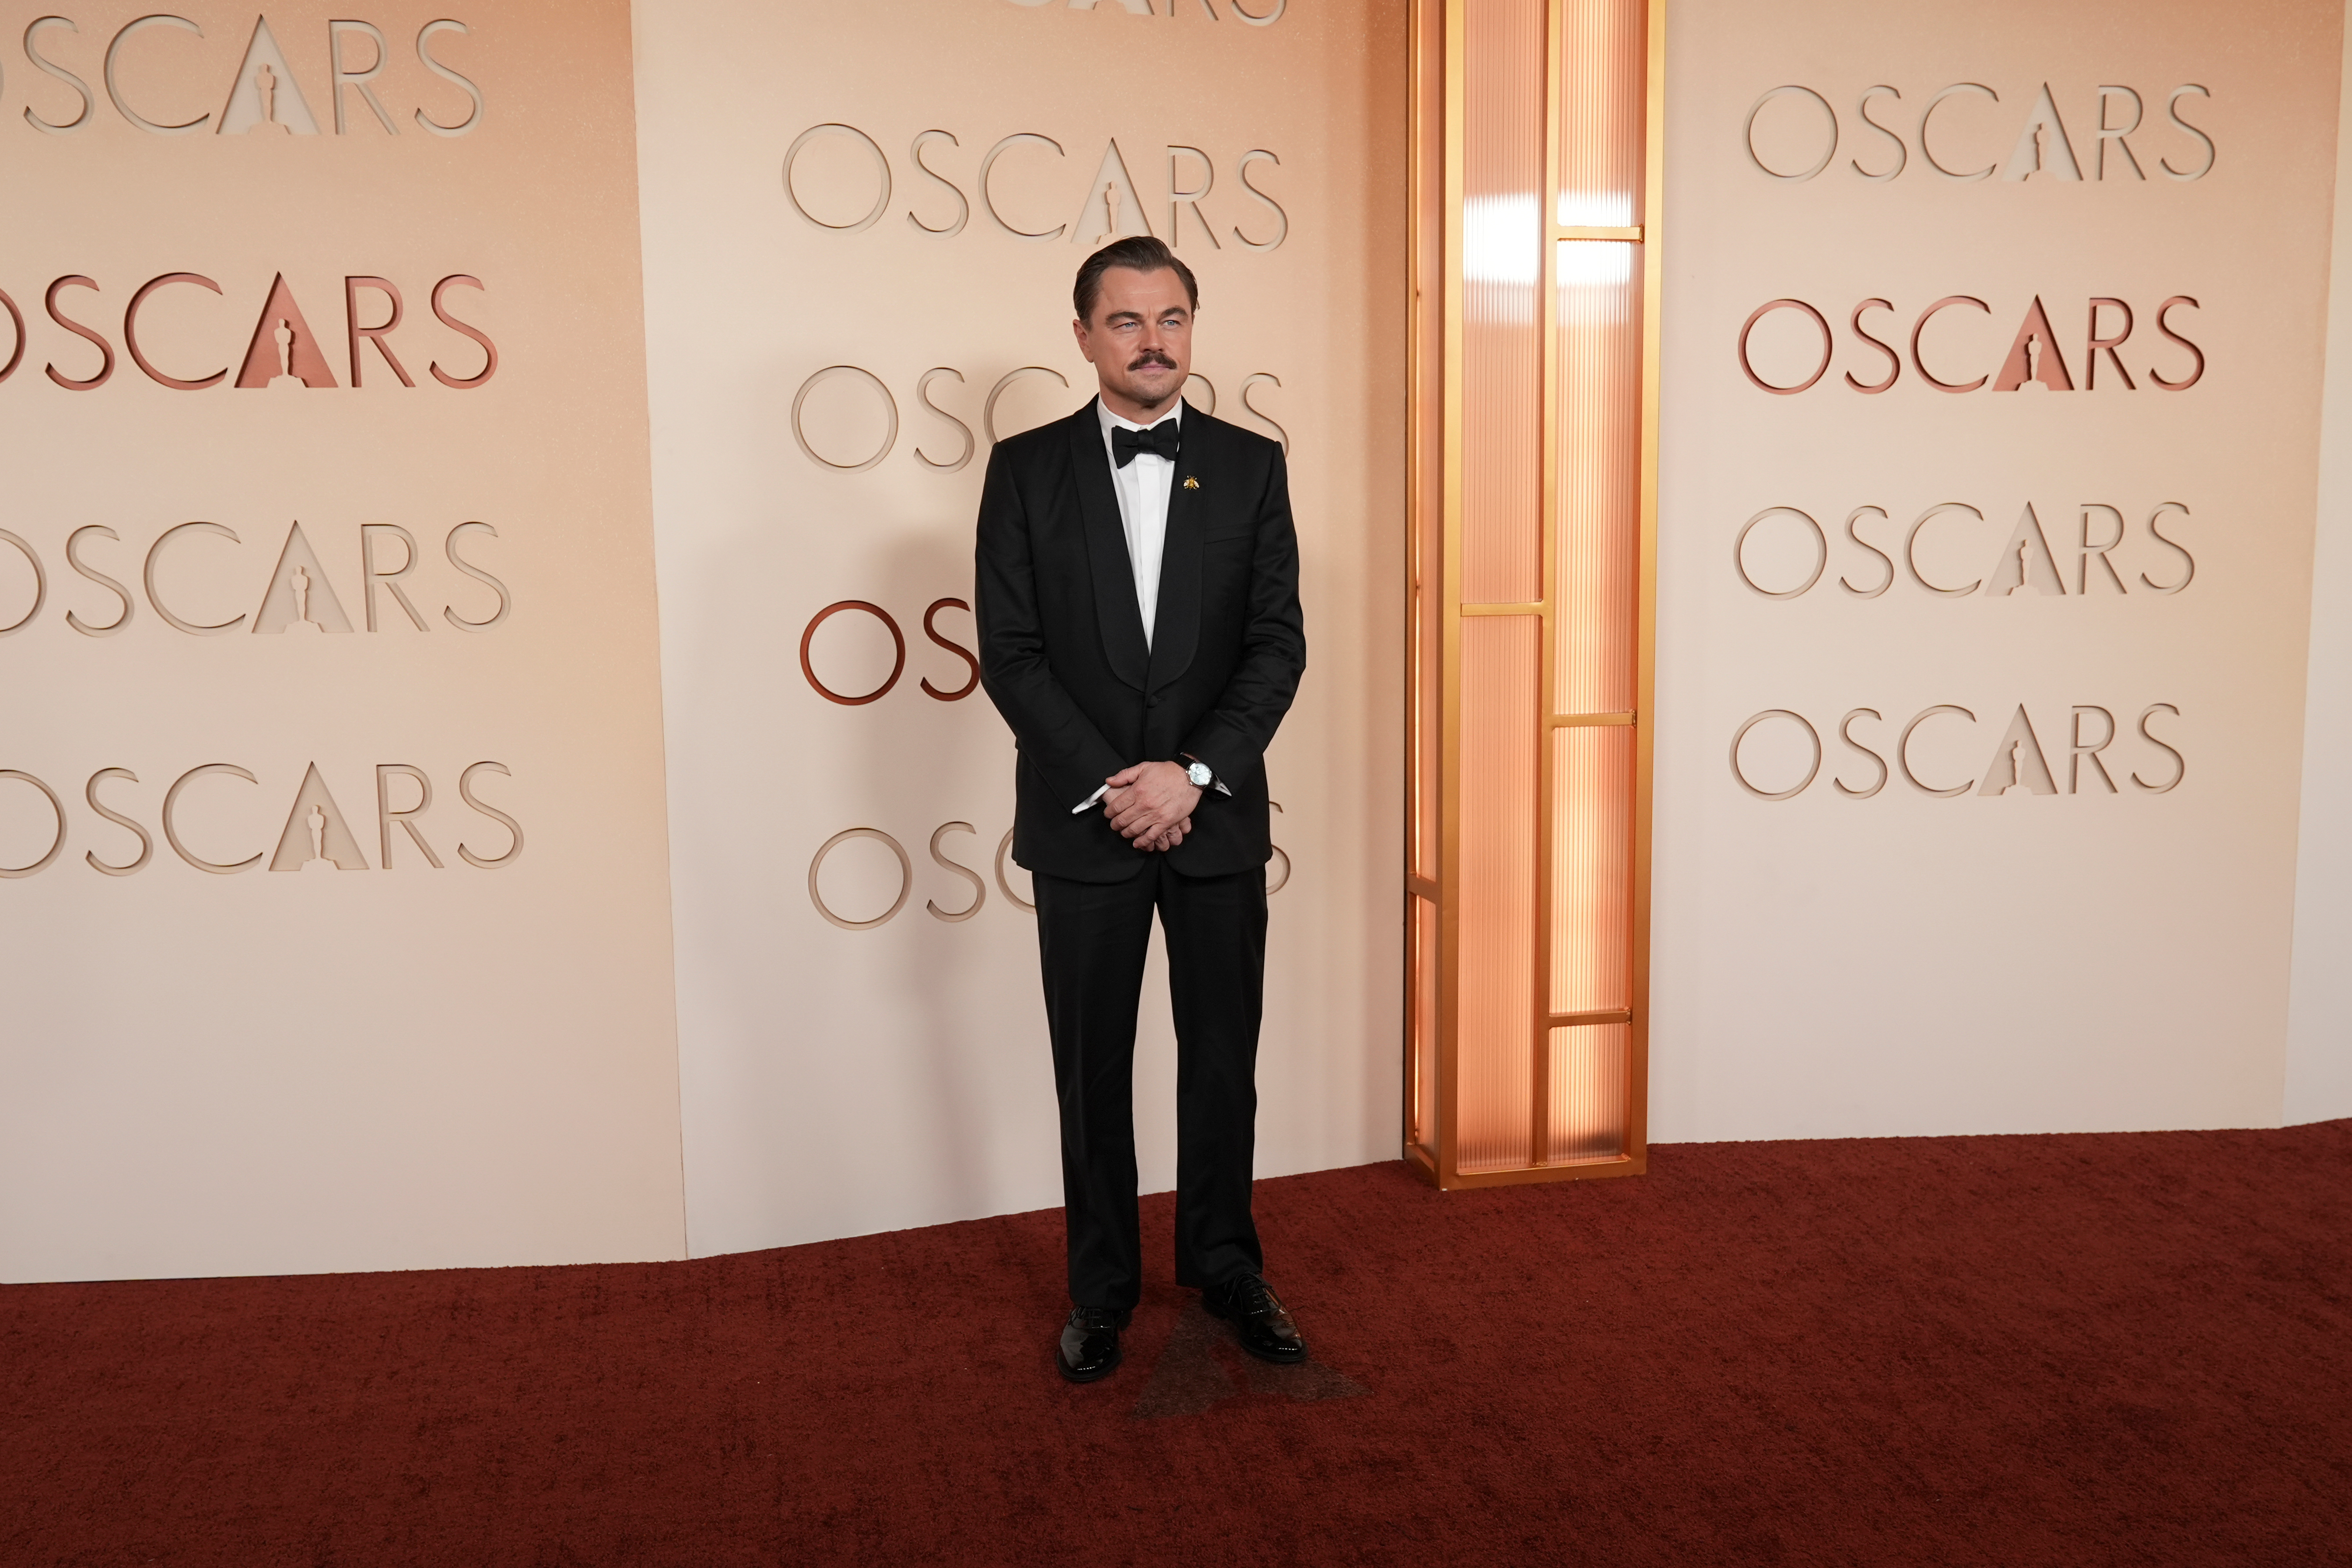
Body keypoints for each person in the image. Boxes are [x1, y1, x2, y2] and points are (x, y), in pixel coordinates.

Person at [975, 236, 1309, 1384]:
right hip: (1085, 825)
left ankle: (1226, 1264)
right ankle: (1101, 1291)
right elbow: (1012, 656)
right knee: (1092, 1068)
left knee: (1224, 1060)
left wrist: (1194, 775)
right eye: (1126, 321)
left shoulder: (1253, 466)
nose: (1153, 341)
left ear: (1192, 329)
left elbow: (1278, 646)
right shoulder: (1023, 472)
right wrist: (1117, 784)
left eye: (1172, 318)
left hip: (1212, 819)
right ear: (1083, 337)